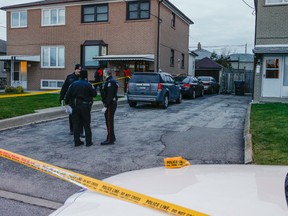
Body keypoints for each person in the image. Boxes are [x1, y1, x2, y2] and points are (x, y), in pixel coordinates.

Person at [64, 69, 97, 147]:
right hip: (85, 106)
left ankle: (77, 141)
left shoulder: (73, 84)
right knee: (86, 124)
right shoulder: (88, 84)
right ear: (86, 76)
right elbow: (94, 94)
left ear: (80, 75)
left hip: (75, 106)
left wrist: (67, 104)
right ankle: (88, 142)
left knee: (76, 124)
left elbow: (67, 95)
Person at [59, 64, 84, 137]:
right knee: (71, 115)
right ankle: (72, 130)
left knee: (81, 115)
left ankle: (80, 131)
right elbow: (64, 88)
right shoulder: (69, 77)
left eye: (80, 69)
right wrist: (61, 97)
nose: (79, 70)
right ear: (75, 69)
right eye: (78, 69)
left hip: (80, 99)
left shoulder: (82, 78)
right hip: (71, 100)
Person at [100, 70, 118, 145]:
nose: (103, 75)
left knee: (109, 121)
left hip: (110, 104)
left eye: (104, 73)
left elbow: (109, 96)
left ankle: (110, 139)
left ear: (106, 74)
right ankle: (112, 136)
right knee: (110, 121)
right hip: (111, 103)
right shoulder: (110, 81)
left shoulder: (110, 82)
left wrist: (106, 106)